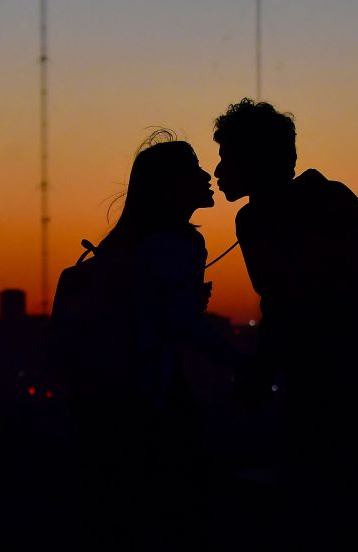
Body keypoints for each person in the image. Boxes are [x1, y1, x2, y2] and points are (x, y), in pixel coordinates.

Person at [212, 98, 358, 548]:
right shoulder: (261, 217)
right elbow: (281, 307)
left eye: (227, 156)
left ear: (255, 160)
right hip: (327, 389)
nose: (219, 170)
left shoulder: (321, 201)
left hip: (354, 388)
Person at [52, 130, 236, 550]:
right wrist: (245, 363)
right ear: (170, 185)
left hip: (100, 408)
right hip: (151, 401)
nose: (206, 175)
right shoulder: (183, 243)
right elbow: (180, 327)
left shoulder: (121, 245)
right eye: (193, 168)